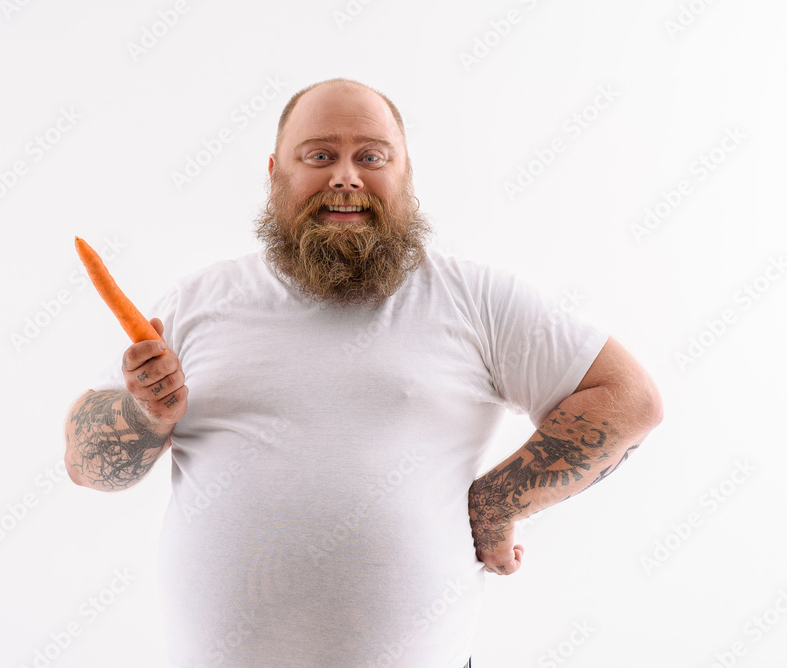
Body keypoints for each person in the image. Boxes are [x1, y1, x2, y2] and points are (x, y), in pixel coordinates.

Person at [64, 78, 663, 667]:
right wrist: (143, 415)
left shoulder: (476, 299)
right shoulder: (195, 303)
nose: (345, 176)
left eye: (371, 157)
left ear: (404, 173)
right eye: (319, 155)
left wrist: (497, 502)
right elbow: (86, 467)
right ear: (276, 173)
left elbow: (628, 398)